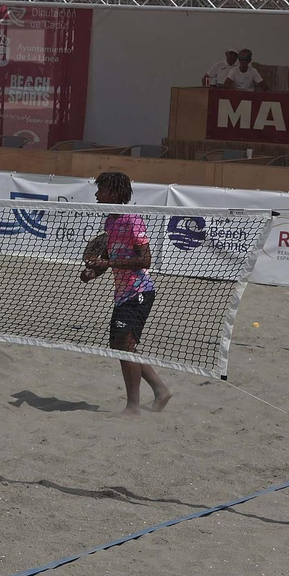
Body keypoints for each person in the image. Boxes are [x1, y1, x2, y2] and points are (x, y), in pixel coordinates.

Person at [80, 171, 171, 417]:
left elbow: (145, 259)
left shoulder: (133, 220)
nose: (97, 194)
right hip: (122, 293)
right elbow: (109, 257)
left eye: (101, 190)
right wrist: (92, 272)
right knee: (121, 346)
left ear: (115, 193)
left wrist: (108, 264)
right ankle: (161, 390)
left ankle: (133, 407)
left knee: (123, 347)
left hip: (139, 292)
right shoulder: (110, 222)